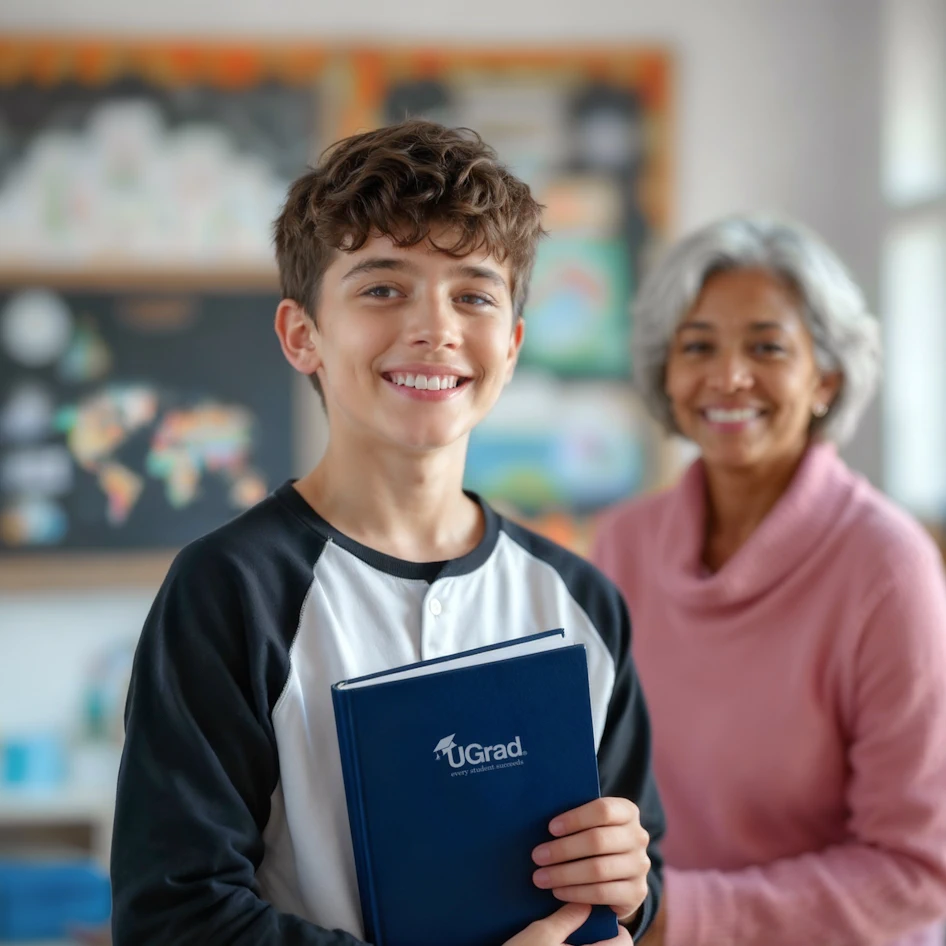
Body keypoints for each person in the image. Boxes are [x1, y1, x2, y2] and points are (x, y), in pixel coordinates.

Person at [109, 119, 664, 945]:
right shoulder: (229, 593)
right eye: (382, 289)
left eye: (474, 294)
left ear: (512, 345)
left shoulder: (581, 601)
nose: (435, 328)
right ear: (302, 335)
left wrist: (629, 883)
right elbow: (173, 917)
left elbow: (636, 885)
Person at [590, 214, 946, 946]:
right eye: (698, 346)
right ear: (666, 373)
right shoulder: (623, 542)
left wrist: (678, 915)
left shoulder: (887, 566)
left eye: (767, 346)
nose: (728, 377)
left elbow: (918, 871)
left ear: (826, 380)